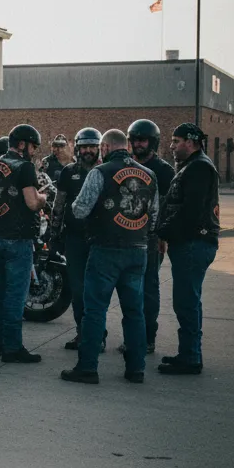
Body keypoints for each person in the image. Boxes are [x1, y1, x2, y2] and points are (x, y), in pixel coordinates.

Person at [61, 129, 158, 385]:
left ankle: (87, 368)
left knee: (94, 310)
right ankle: (136, 369)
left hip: (105, 249)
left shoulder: (99, 172)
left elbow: (80, 210)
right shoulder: (149, 175)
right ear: (126, 147)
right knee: (134, 312)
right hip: (138, 249)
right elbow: (154, 217)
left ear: (104, 148)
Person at [156, 122, 220, 375]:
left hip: (194, 243)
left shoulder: (199, 167)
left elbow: (190, 211)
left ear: (191, 143)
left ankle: (191, 357)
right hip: (190, 243)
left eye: (176, 141)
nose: (171, 146)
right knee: (186, 301)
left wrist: (163, 231)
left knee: (186, 302)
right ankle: (188, 353)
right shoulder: (191, 166)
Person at [0, 123, 46, 363]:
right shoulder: (24, 167)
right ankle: (12, 348)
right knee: (16, 295)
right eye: (33, 146)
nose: (34, 151)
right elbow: (32, 202)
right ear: (22, 144)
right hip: (17, 239)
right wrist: (43, 198)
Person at [49, 126, 102, 350]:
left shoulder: (107, 171)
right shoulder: (68, 172)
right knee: (78, 290)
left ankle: (97, 336)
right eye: (84, 146)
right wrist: (53, 235)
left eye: (92, 146)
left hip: (100, 241)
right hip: (74, 239)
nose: (88, 150)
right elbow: (58, 205)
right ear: (77, 148)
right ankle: (82, 332)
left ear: (99, 148)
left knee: (97, 291)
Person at [126, 119, 176, 353]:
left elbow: (169, 207)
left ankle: (147, 338)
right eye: (134, 140)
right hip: (126, 237)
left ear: (152, 142)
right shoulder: (125, 166)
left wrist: (162, 237)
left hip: (151, 239)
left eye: (142, 140)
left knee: (148, 289)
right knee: (129, 290)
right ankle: (132, 337)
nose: (138, 144)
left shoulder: (164, 171)